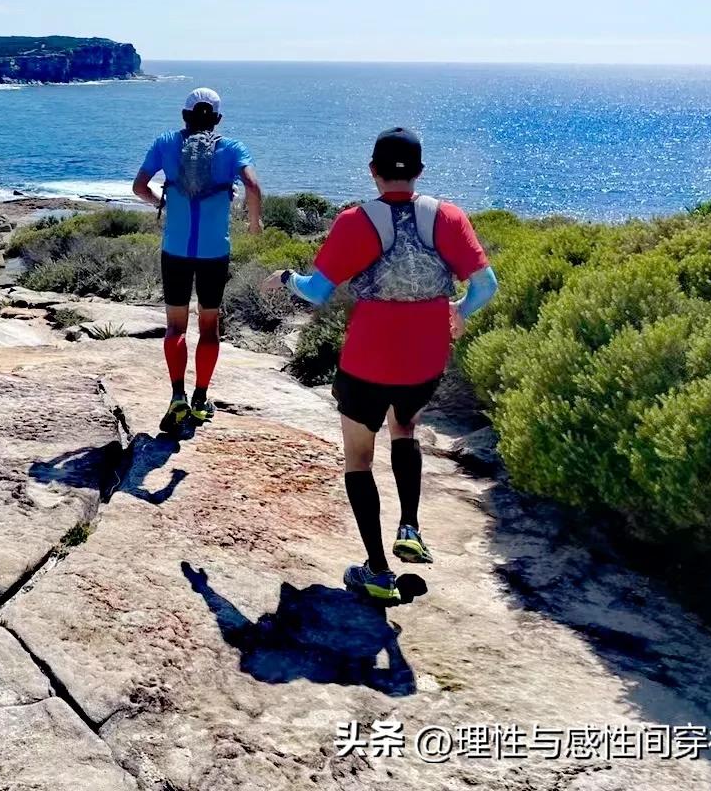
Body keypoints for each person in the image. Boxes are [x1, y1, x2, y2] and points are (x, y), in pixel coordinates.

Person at [264, 127, 497, 602]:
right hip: (426, 356)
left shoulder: (355, 222)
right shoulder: (447, 217)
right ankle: (410, 527)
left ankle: (376, 572)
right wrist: (459, 312)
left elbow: (316, 292)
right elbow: (486, 285)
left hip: (369, 355)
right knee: (405, 430)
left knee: (359, 458)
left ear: (372, 170)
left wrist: (287, 277)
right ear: (419, 172)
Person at [133, 88, 263, 431]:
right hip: (213, 251)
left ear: (184, 115)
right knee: (209, 326)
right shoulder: (232, 148)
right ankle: (201, 398)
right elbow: (252, 187)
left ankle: (177, 397)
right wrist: (253, 222)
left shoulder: (165, 142)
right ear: (218, 119)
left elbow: (139, 187)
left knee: (176, 326)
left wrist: (158, 203)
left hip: (175, 249)